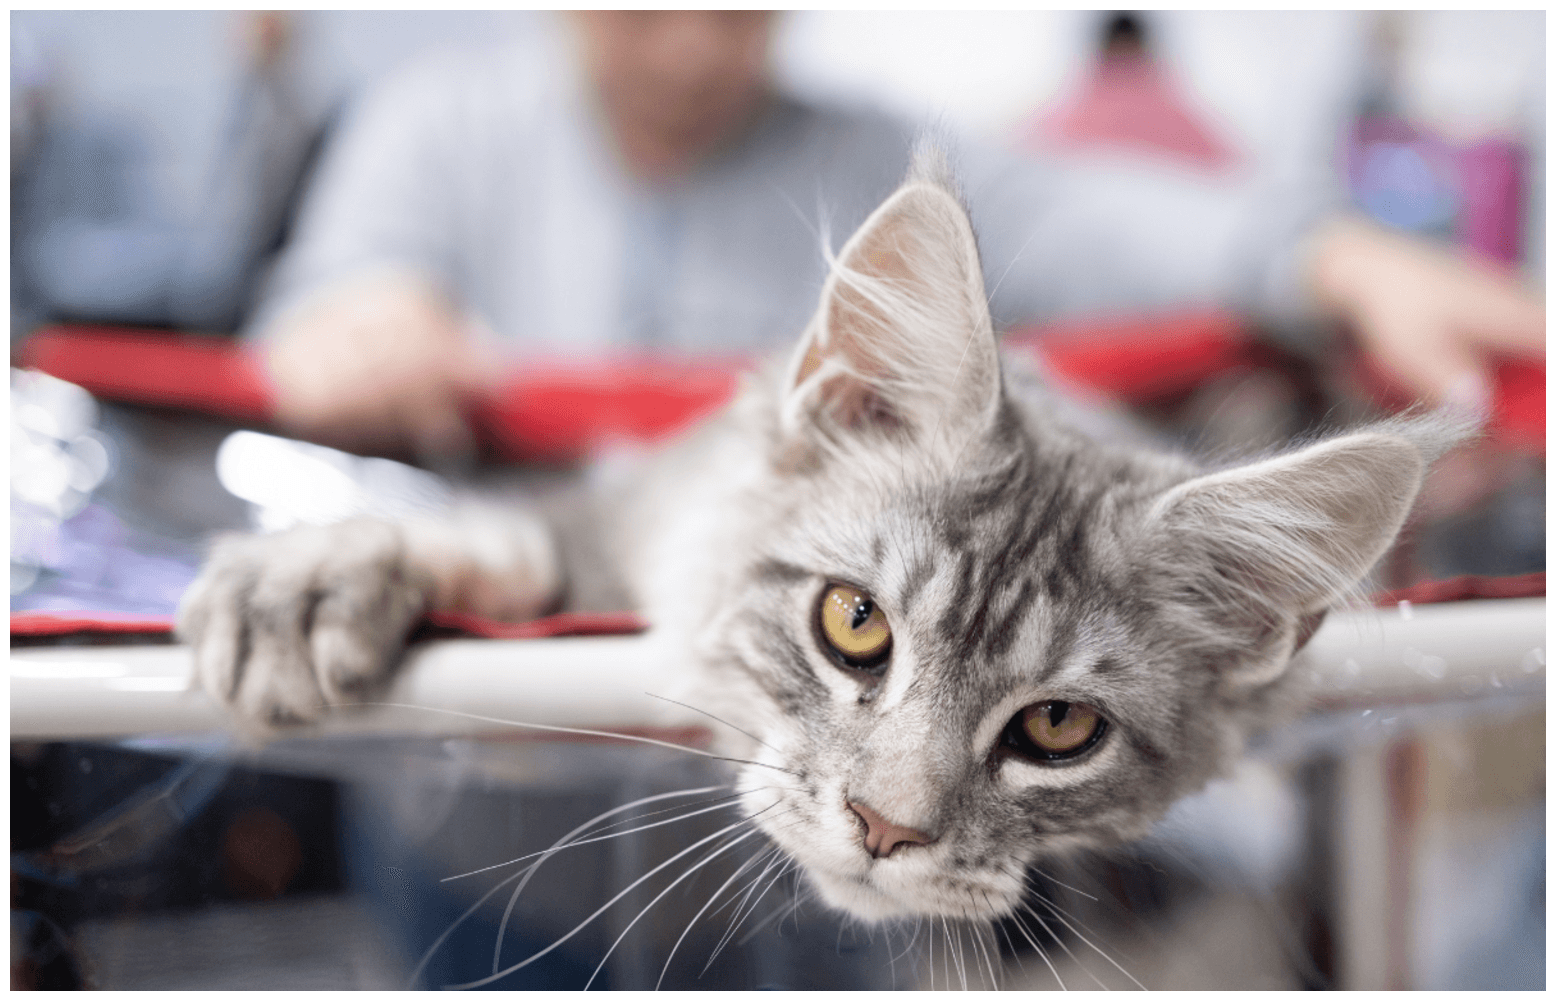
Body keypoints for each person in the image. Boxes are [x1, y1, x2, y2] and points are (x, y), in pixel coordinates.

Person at [251, 11, 1545, 459]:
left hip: (794, 778)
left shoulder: (881, 160)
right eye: (645, 8)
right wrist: (353, 335)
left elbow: (1114, 221)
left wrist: (1340, 256)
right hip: (487, 778)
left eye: (740, 10)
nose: (697, 50)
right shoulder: (433, 126)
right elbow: (330, 304)